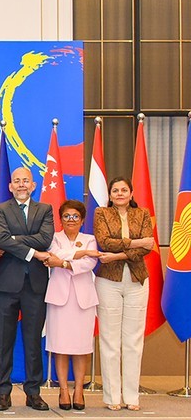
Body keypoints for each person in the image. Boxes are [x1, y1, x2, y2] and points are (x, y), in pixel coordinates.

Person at [0, 167, 54, 411]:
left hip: (35, 284)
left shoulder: (45, 210)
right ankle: (3, 393)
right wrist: (32, 249)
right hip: (7, 284)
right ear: (10, 186)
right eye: (16, 181)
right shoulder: (1, 209)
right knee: (4, 341)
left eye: (25, 181)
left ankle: (33, 392)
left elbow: (45, 239)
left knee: (32, 341)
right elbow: (0, 239)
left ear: (33, 185)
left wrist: (16, 240)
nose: (21, 185)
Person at [93, 176, 153, 411]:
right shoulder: (101, 213)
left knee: (133, 341)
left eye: (124, 190)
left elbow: (147, 248)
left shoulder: (143, 214)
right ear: (110, 195)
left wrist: (120, 252)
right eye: (115, 190)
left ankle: (132, 397)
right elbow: (104, 242)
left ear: (131, 193)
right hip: (109, 280)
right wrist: (136, 242)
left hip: (137, 280)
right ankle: (112, 398)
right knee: (109, 340)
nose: (119, 193)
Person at [43, 199, 99, 411]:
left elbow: (89, 264)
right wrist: (81, 253)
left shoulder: (90, 239)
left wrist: (65, 263)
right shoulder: (54, 238)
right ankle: (64, 389)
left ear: (82, 219)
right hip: (59, 298)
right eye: (66, 216)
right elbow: (53, 257)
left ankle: (79, 390)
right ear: (61, 219)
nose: (71, 220)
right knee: (61, 347)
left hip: (83, 299)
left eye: (75, 216)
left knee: (80, 347)